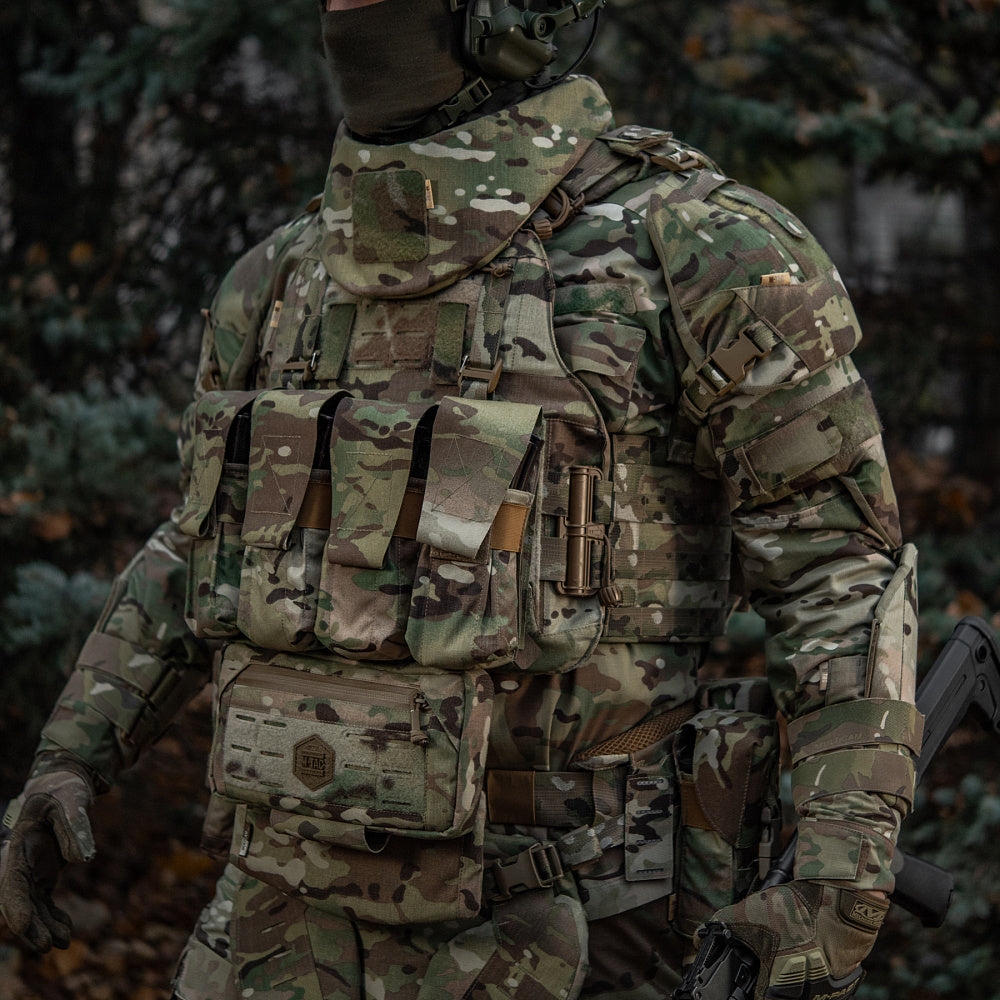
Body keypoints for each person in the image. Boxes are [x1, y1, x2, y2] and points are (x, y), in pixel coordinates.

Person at [0, 1, 923, 998]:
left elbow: (835, 571)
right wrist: (74, 755)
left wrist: (839, 872)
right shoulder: (279, 278)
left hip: (576, 926)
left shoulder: (694, 250)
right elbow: (200, 544)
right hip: (275, 920)